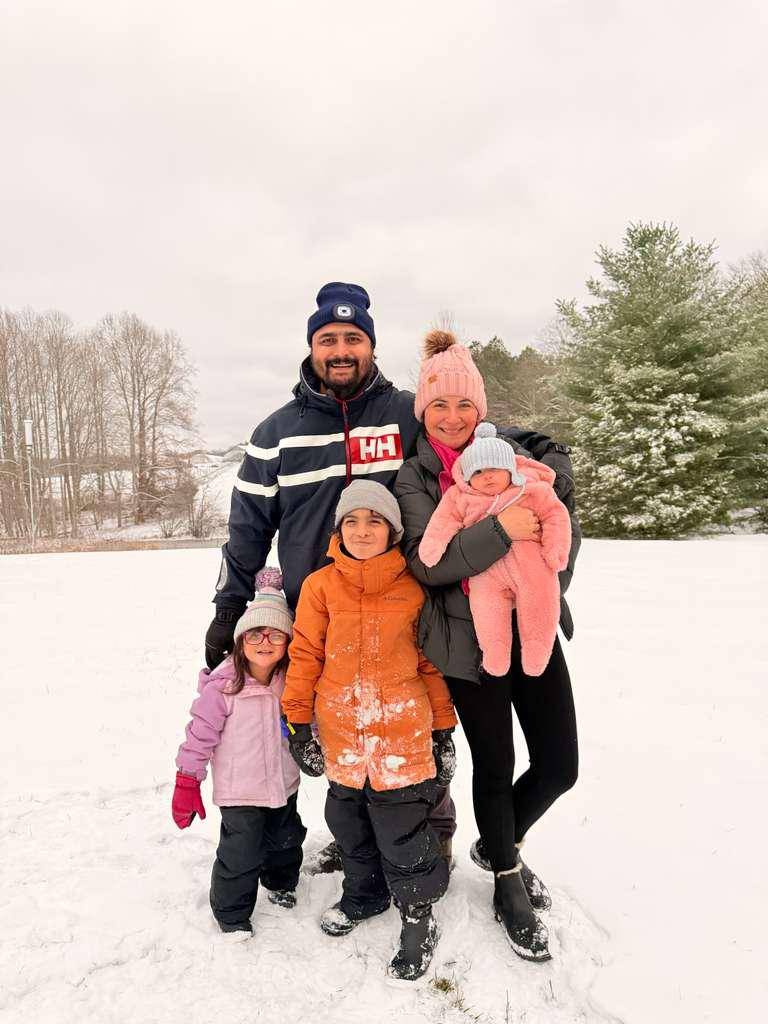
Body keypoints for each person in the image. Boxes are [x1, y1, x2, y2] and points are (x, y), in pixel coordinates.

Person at [204, 282, 457, 866]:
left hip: (408, 607)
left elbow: (461, 449)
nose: (340, 350)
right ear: (312, 347)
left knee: (413, 720)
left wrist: (538, 460)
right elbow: (247, 532)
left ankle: (428, 834)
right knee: (338, 723)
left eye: (352, 339)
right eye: (328, 340)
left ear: (370, 346)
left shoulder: (405, 415)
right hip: (319, 611)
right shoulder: (276, 433)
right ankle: (359, 845)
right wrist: (227, 609)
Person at [395, 330, 581, 963]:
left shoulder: (513, 458)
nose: (452, 419)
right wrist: (502, 529)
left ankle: (498, 841)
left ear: (481, 409)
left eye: (464, 406)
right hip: (463, 643)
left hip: (531, 628)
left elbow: (557, 518)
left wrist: (554, 574)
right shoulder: (415, 478)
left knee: (560, 765)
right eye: (439, 406)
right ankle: (505, 874)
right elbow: (430, 564)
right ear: (424, 411)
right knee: (495, 766)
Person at [281, 481, 458, 981]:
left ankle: (418, 912)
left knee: (400, 832)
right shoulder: (319, 587)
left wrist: (443, 730)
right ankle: (364, 893)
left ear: (393, 530)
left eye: (374, 521)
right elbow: (306, 656)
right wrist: (297, 724)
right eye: (352, 522)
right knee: (348, 823)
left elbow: (430, 663)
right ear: (339, 529)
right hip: (341, 731)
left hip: (403, 730)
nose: (362, 531)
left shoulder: (413, 588)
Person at [173, 569, 306, 941]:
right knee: (240, 853)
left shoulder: (291, 682)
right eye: (255, 634)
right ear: (240, 640)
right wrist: (187, 781)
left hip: (283, 783)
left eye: (276, 634)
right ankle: (231, 913)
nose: (265, 641)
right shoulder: (223, 687)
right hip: (240, 790)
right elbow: (199, 736)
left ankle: (281, 883)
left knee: (285, 839)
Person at [418, 421, 572, 677]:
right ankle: (495, 654)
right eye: (477, 472)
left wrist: (555, 549)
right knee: (487, 612)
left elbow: (556, 516)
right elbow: (443, 521)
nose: (486, 476)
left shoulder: (531, 489)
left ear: (510, 469)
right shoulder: (461, 496)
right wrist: (433, 547)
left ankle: (537, 651)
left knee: (540, 604)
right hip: (486, 572)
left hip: (532, 565)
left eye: (494, 468)